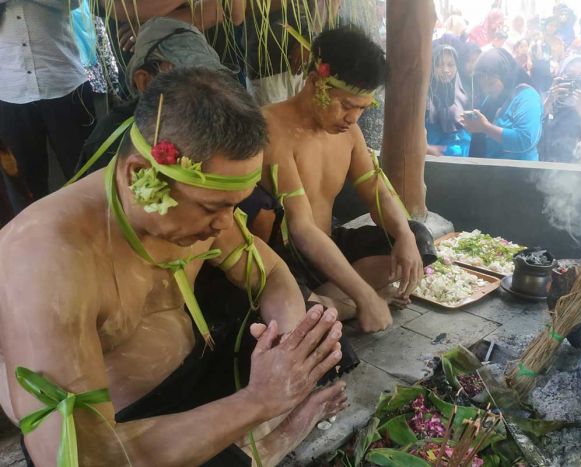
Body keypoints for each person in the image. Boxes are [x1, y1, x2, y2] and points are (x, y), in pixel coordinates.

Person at [0, 67, 348, 466]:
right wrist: (260, 401)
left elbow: (271, 274)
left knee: (318, 336)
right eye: (212, 208)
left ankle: (258, 432)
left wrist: (289, 349)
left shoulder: (200, 210)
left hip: (191, 362)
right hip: (111, 430)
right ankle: (266, 443)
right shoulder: (45, 260)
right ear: (140, 176)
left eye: (235, 205)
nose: (226, 224)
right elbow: (78, 457)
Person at [260, 27, 436, 333]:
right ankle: (345, 303)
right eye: (346, 105)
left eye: (362, 109)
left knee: (418, 239)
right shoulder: (271, 128)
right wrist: (365, 295)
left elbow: (376, 191)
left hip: (331, 245)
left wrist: (404, 236)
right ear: (316, 82)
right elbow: (300, 228)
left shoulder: (349, 133)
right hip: (287, 258)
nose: (353, 118)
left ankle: (333, 304)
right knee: (294, 312)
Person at [74, 17, 230, 179]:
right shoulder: (111, 144)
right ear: (145, 81)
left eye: (211, 79)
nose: (207, 93)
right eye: (189, 82)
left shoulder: (217, 119)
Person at [0, 0, 95, 215]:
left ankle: (96, 233)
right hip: (10, 92)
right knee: (23, 184)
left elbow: (74, 2)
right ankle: (34, 239)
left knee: (86, 172)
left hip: (64, 83)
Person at [462, 48, 543, 161]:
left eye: (491, 84)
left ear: (505, 76)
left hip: (521, 173)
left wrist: (486, 128)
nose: (486, 90)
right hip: (494, 171)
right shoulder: (493, 98)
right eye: (483, 86)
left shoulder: (526, 96)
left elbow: (525, 139)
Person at [539, 55, 581, 164]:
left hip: (571, 168)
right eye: (570, 75)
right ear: (560, 75)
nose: (573, 82)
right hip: (543, 162)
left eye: (580, 77)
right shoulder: (544, 98)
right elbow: (534, 126)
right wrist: (550, 100)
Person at [426, 45, 471, 157]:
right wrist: (425, 148)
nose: (446, 70)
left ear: (457, 67)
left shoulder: (464, 98)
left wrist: (448, 151)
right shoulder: (423, 96)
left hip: (454, 165)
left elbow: (465, 140)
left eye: (451, 65)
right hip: (425, 162)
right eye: (439, 65)